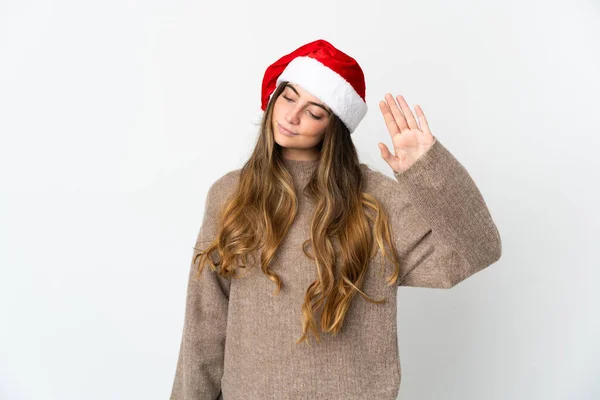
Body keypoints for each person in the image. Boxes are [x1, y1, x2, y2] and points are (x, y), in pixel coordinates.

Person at [169, 39, 502, 400]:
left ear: (334, 127)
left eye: (314, 112)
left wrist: (429, 171)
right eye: (289, 97)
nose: (292, 116)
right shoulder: (230, 194)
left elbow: (478, 250)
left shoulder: (375, 201)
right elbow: (204, 326)